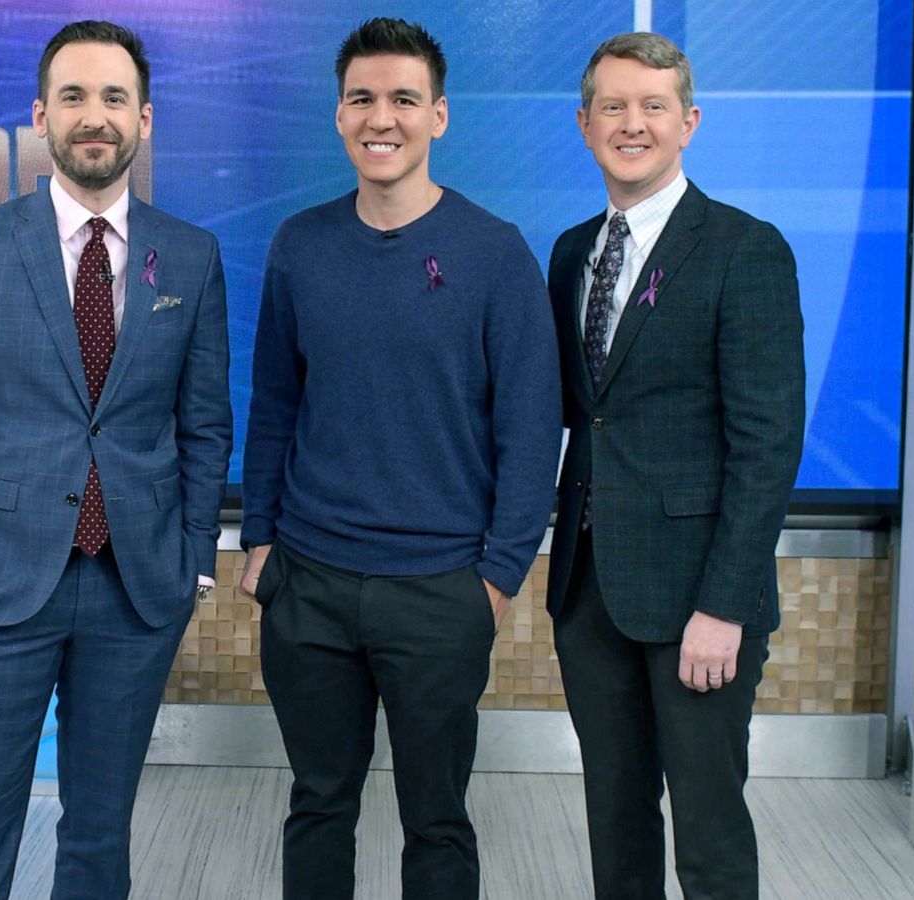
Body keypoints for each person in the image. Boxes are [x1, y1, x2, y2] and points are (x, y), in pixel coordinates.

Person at [0, 20, 231, 900]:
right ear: (40, 115)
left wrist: (195, 562)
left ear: (145, 119)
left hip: (136, 588)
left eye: (115, 98)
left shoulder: (190, 257)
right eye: (75, 97)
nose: (96, 117)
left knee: (99, 837)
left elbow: (204, 426)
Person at [238, 17, 561, 900]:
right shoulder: (300, 246)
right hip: (308, 585)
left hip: (441, 590)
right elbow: (274, 401)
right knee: (317, 802)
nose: (383, 118)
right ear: (339, 116)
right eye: (362, 99)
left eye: (403, 100)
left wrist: (493, 581)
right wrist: (259, 542)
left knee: (438, 820)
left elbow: (532, 431)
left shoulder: (495, 255)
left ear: (440, 117)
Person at [544, 31, 806, 900]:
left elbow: (767, 447)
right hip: (591, 591)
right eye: (613, 106)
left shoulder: (745, 249)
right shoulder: (572, 251)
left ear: (688, 122)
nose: (632, 124)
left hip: (701, 603)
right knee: (614, 820)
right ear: (584, 124)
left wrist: (723, 608)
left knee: (708, 829)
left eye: (653, 106)